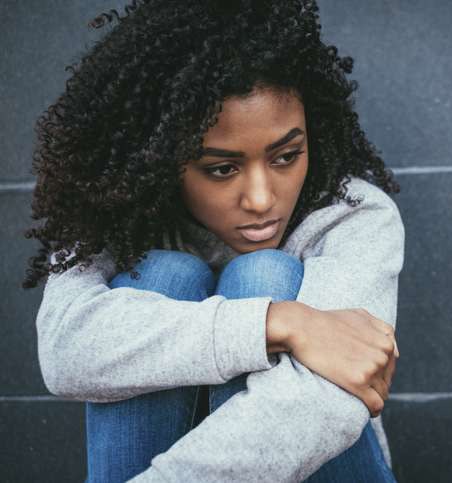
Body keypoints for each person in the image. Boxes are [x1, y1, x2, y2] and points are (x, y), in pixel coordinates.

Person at [24, 1, 405, 481]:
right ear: (159, 158)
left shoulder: (352, 215)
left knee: (262, 273)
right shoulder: (112, 215)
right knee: (161, 275)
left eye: (287, 156)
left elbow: (318, 407)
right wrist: (274, 322)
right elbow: (65, 353)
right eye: (221, 169)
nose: (263, 199)